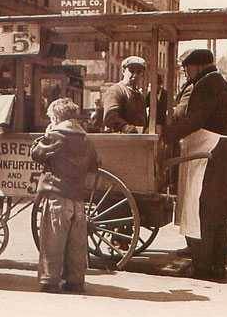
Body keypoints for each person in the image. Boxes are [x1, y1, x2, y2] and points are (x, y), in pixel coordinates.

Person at [164, 48, 227, 281]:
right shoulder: (220, 82)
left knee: (202, 208)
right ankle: (218, 263)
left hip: (210, 154)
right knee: (217, 212)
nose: (185, 72)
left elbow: (196, 120)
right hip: (222, 152)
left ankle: (203, 266)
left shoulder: (206, 85)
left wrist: (168, 134)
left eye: (187, 67)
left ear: (198, 66)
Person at [31, 98, 99, 293]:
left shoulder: (56, 136)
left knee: (53, 239)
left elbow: (36, 153)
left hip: (57, 196)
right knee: (76, 243)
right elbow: (95, 165)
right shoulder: (86, 139)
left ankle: (50, 280)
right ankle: (75, 281)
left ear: (55, 117)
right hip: (78, 198)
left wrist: (45, 135)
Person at [103, 56, 147, 133]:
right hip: (119, 139)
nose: (135, 75)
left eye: (139, 72)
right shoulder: (116, 90)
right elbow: (110, 117)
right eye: (132, 71)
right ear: (123, 71)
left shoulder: (140, 96)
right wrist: (125, 127)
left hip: (138, 140)